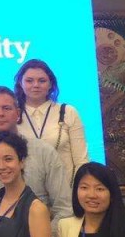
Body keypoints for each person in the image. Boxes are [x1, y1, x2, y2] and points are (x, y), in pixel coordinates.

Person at [0, 86, 72, 227]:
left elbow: (64, 209)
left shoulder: (44, 152)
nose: (0, 114)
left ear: (18, 113)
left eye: (6, 108)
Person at [15, 59, 90, 188]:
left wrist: (78, 191)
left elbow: (81, 160)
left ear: (50, 84)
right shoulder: (12, 115)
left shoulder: (68, 112)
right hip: (26, 195)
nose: (36, 85)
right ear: (20, 84)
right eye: (29, 80)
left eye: (42, 80)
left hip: (66, 191)